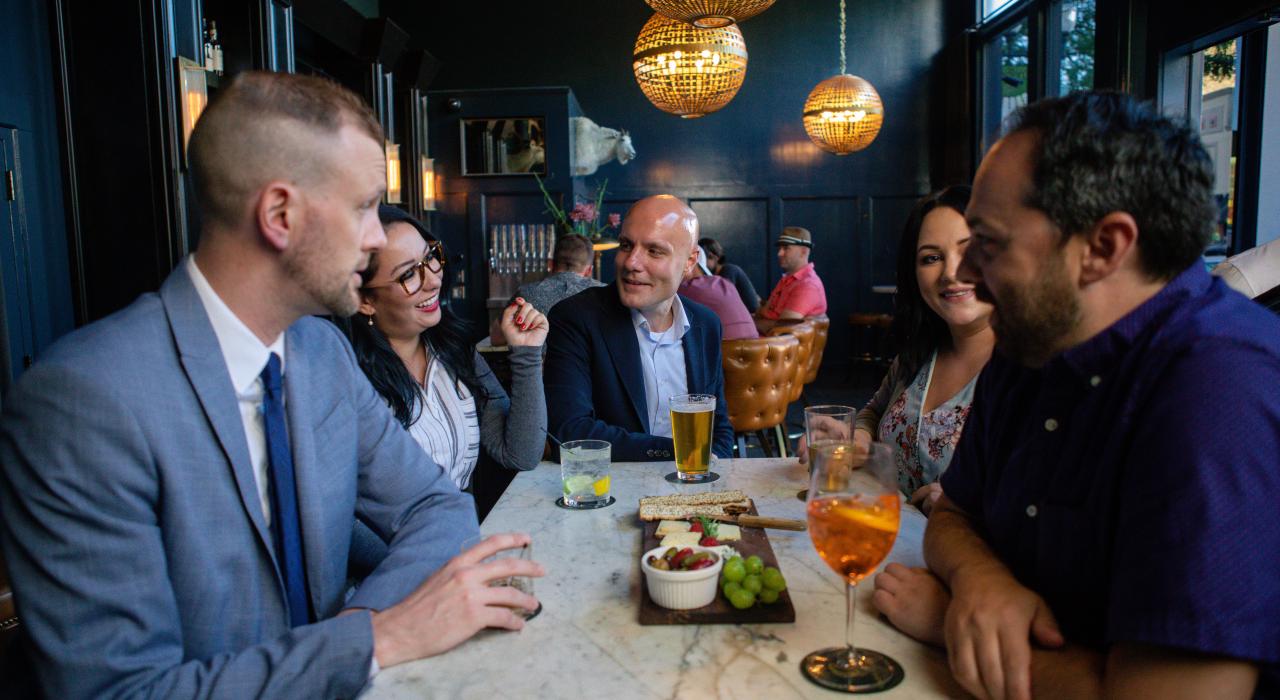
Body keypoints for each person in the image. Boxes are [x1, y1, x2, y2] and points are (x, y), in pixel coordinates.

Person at [0, 72, 543, 698]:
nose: (375, 240)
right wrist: (377, 640)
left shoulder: (319, 352)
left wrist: (362, 633)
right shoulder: (80, 399)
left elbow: (436, 505)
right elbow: (120, 692)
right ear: (280, 215)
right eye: (365, 207)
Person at [877, 92, 1280, 699]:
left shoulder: (1218, 387)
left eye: (988, 244)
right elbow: (956, 515)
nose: (970, 278)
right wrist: (983, 580)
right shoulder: (1032, 341)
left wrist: (949, 624)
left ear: (1103, 247)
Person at [347, 206, 546, 548]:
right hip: (399, 577)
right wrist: (426, 563)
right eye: (409, 274)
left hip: (464, 549)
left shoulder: (455, 354)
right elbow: (343, 518)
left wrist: (526, 354)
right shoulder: (348, 380)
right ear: (364, 299)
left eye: (431, 258)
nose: (434, 279)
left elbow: (521, 453)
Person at [544, 195, 734, 462]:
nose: (631, 262)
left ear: (689, 262)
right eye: (626, 245)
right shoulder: (575, 318)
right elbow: (570, 433)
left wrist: (711, 470)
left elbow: (720, 429)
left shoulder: (706, 324)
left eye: (654, 251)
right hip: (611, 492)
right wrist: (680, 452)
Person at [852, 186, 993, 516]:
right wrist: (857, 438)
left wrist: (968, 505)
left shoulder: (1031, 371)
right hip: (886, 549)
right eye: (931, 258)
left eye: (969, 250)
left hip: (971, 564)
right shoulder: (918, 354)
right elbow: (873, 412)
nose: (951, 273)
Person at [488, 233, 603, 344]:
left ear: (550, 264)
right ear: (589, 270)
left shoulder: (525, 293)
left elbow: (496, 338)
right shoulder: (604, 293)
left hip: (535, 363)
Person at [755, 226, 828, 334]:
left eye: (786, 248)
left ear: (803, 252)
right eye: (779, 248)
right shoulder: (788, 279)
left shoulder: (807, 285)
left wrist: (750, 323)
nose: (779, 253)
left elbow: (783, 329)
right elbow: (767, 311)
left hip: (773, 347)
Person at [678, 245, 759, 340]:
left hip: (726, 351)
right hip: (759, 348)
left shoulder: (684, 289)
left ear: (690, 262)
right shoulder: (725, 283)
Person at [699, 236, 760, 312]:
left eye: (702, 260)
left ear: (713, 257)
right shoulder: (716, 275)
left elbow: (722, 301)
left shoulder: (729, 270)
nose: (701, 265)